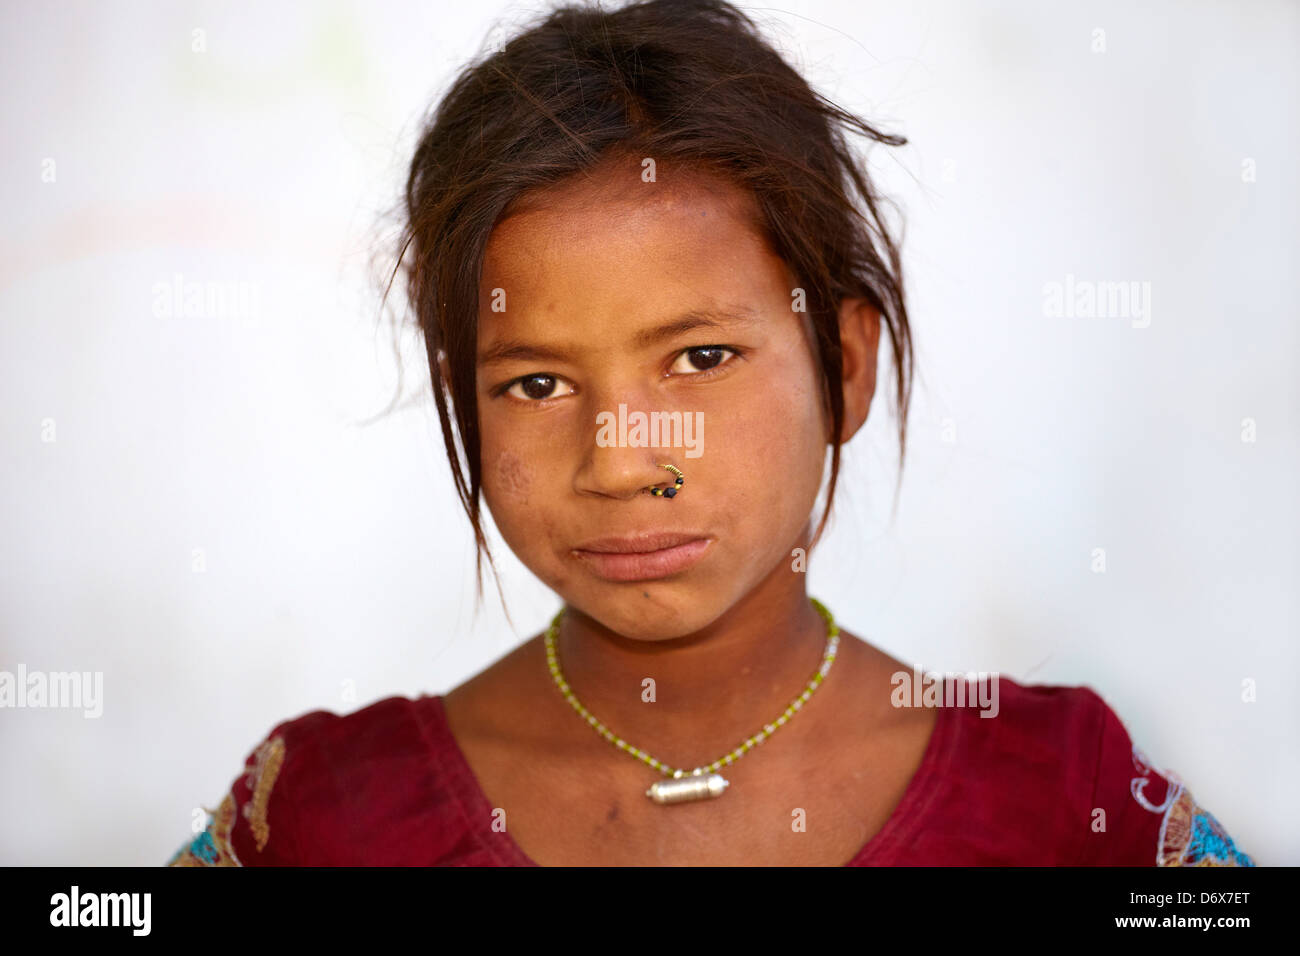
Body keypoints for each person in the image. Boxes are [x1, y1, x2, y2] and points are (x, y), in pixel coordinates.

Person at [169, 0, 1254, 867]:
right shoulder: (324, 819)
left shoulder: (1068, 803)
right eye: (538, 381)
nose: (621, 460)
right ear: (462, 394)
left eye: (699, 358)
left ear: (844, 364)